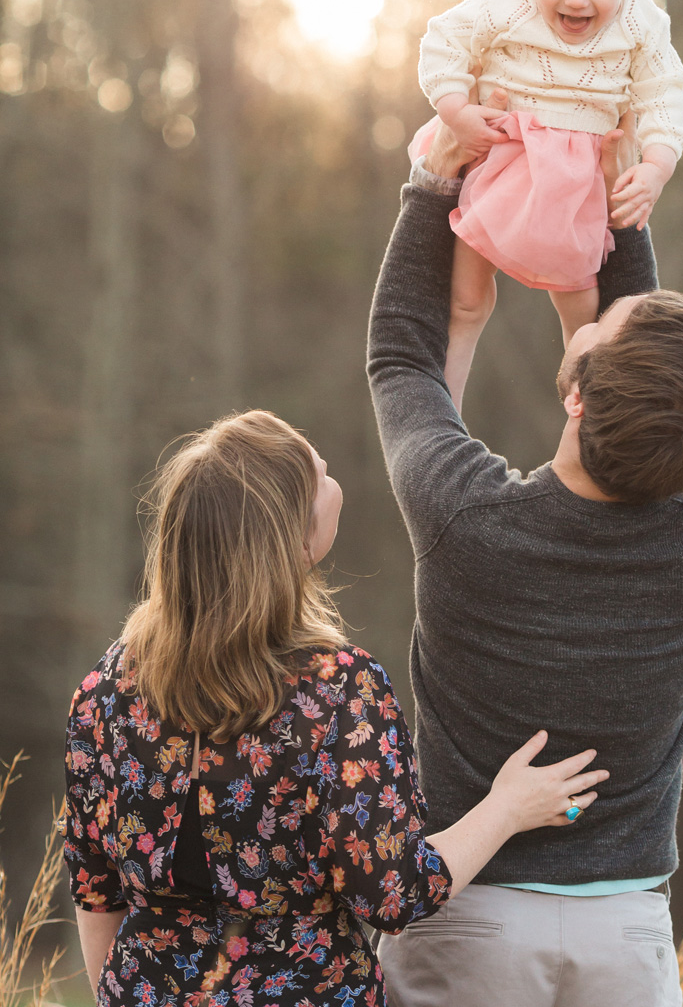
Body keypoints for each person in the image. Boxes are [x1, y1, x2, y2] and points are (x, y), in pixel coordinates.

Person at [367, 122, 683, 1007]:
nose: (607, 307)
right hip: (626, 936)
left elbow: (402, 357)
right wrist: (612, 193)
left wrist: (430, 186)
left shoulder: (468, 520)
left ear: (576, 398)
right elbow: (664, 390)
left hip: (468, 916)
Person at [63, 411, 607, 1007]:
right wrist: (507, 808)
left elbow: (97, 892)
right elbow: (392, 891)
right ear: (291, 539)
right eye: (316, 474)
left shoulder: (106, 691)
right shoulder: (337, 692)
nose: (330, 473)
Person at [411, 0, 683, 408]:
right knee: (465, 300)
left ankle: (588, 419)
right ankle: (446, 414)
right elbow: (445, 40)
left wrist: (656, 166)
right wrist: (456, 111)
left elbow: (664, 92)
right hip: (504, 153)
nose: (576, 1)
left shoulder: (642, 19)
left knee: (584, 314)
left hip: (576, 178)